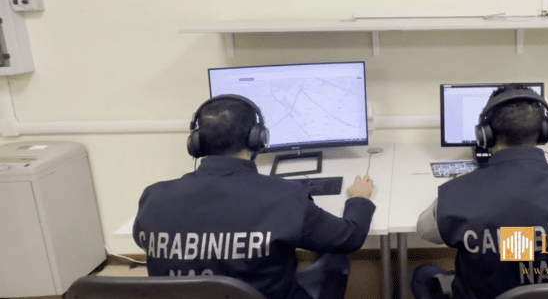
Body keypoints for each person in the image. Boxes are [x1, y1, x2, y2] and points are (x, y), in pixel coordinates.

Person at [133, 94, 375, 299]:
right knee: (334, 256)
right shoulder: (285, 197)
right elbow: (349, 238)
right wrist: (359, 199)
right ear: (258, 138)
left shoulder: (153, 197)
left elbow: (141, 240)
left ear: (196, 143)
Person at [412, 84, 548, 299]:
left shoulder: (459, 193)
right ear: (545, 132)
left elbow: (426, 231)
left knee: (423, 274)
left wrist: (460, 187)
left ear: (485, 135)